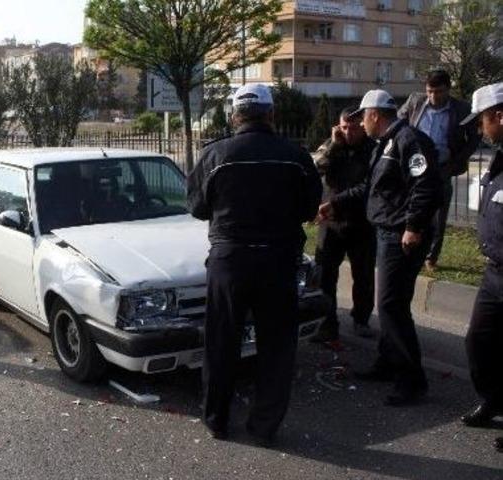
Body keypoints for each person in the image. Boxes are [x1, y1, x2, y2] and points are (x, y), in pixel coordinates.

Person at [187, 84, 322, 446]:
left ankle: (216, 419)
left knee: (221, 342)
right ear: (271, 114)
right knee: (277, 347)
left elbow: (197, 207)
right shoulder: (296, 157)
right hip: (278, 261)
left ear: (234, 116)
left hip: (229, 261)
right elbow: (310, 209)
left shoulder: (214, 155)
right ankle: (264, 427)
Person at [319, 90, 443, 406]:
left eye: (363, 117)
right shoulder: (388, 143)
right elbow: (369, 189)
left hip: (400, 235)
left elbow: (427, 185)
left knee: (391, 307)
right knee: (390, 304)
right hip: (386, 232)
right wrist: (335, 203)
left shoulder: (408, 140)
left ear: (374, 114)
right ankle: (388, 363)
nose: (361, 123)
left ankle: (412, 380)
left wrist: (413, 226)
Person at [456, 82, 503, 452]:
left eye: (482, 121)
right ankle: (492, 399)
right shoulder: (499, 156)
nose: (479, 129)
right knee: (479, 340)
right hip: (494, 273)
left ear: (499, 116)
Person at [398, 69, 480, 271]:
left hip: (441, 168)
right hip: (413, 166)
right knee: (406, 207)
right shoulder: (415, 101)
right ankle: (405, 246)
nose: (433, 96)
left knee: (438, 214)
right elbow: (398, 122)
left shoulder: (462, 109)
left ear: (448, 89)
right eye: (430, 91)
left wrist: (457, 160)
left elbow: (475, 137)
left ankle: (431, 257)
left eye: (439, 91)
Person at [309, 107, 377, 342]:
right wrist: (333, 144)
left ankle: (361, 318)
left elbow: (369, 187)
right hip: (331, 223)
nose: (349, 132)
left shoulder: (372, 150)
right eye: (344, 127)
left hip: (361, 222)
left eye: (355, 127)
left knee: (363, 275)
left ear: (363, 126)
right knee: (325, 275)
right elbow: (314, 167)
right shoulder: (332, 146)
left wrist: (336, 202)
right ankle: (328, 323)